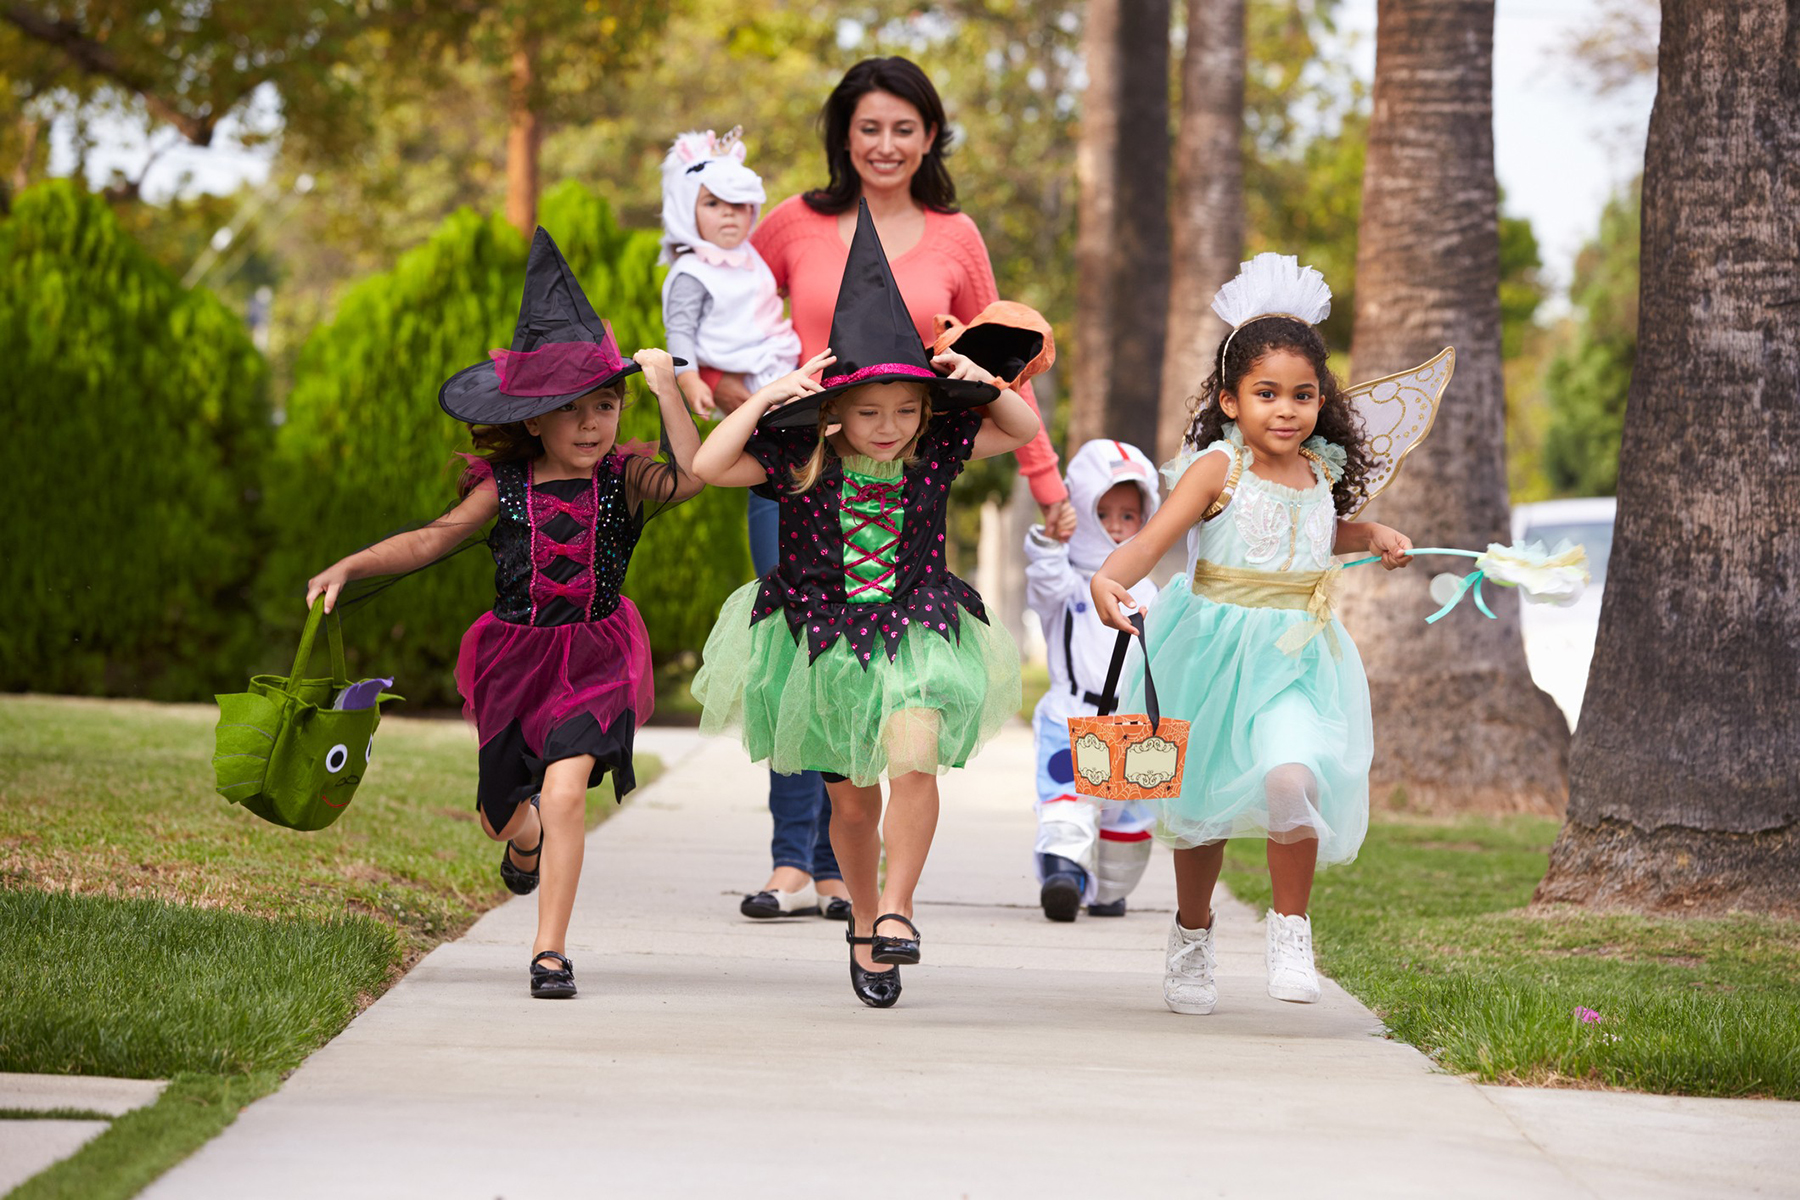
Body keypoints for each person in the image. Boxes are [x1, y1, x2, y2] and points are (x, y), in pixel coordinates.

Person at [703, 58, 1074, 920]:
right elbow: (726, 307)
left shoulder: (955, 236)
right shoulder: (793, 223)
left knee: (891, 671)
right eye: (868, 126)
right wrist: (747, 400)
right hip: (802, 459)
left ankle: (855, 881)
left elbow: (995, 370)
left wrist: (1046, 481)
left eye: (904, 127)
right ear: (843, 133)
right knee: (802, 651)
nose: (885, 143)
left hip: (910, 461)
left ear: (931, 136)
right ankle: (797, 861)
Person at [307, 229, 702, 1000]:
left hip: (595, 657)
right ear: (531, 418)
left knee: (564, 795)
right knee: (504, 813)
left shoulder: (624, 479)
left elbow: (690, 480)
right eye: (572, 411)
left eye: (606, 405)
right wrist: (351, 565)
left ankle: (550, 950)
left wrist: (665, 389)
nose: (593, 425)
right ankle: (519, 844)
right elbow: (431, 539)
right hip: (515, 662)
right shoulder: (505, 486)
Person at [690, 202, 1037, 1008]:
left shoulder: (938, 449)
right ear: (835, 409)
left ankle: (901, 912)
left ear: (927, 411)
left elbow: (1016, 429)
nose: (889, 428)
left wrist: (976, 377)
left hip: (914, 630)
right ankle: (863, 917)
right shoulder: (799, 454)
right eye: (870, 412)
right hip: (824, 643)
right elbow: (709, 465)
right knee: (850, 799)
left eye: (906, 410)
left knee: (914, 755)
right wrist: (772, 394)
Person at [1088, 253, 1415, 1016]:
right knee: (1199, 808)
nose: (1286, 410)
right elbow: (1155, 540)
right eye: (1267, 394)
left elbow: (1317, 534)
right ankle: (1193, 932)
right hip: (1212, 650)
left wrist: (1372, 533)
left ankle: (1291, 928)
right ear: (1231, 401)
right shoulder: (1217, 468)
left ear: (1321, 402)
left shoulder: (1321, 470)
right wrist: (1110, 577)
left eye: (1303, 395)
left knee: (1291, 775)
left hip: (1298, 651)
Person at [1024, 439, 1161, 922]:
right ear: (1082, 510)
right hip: (1071, 710)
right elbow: (1042, 581)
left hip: (1131, 717)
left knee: (1126, 818)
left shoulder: (1150, 589)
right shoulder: (1067, 577)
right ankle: (1064, 876)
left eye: (1129, 515)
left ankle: (1110, 889)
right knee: (1065, 803)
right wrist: (1049, 541)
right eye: (1103, 513)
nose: (1117, 526)